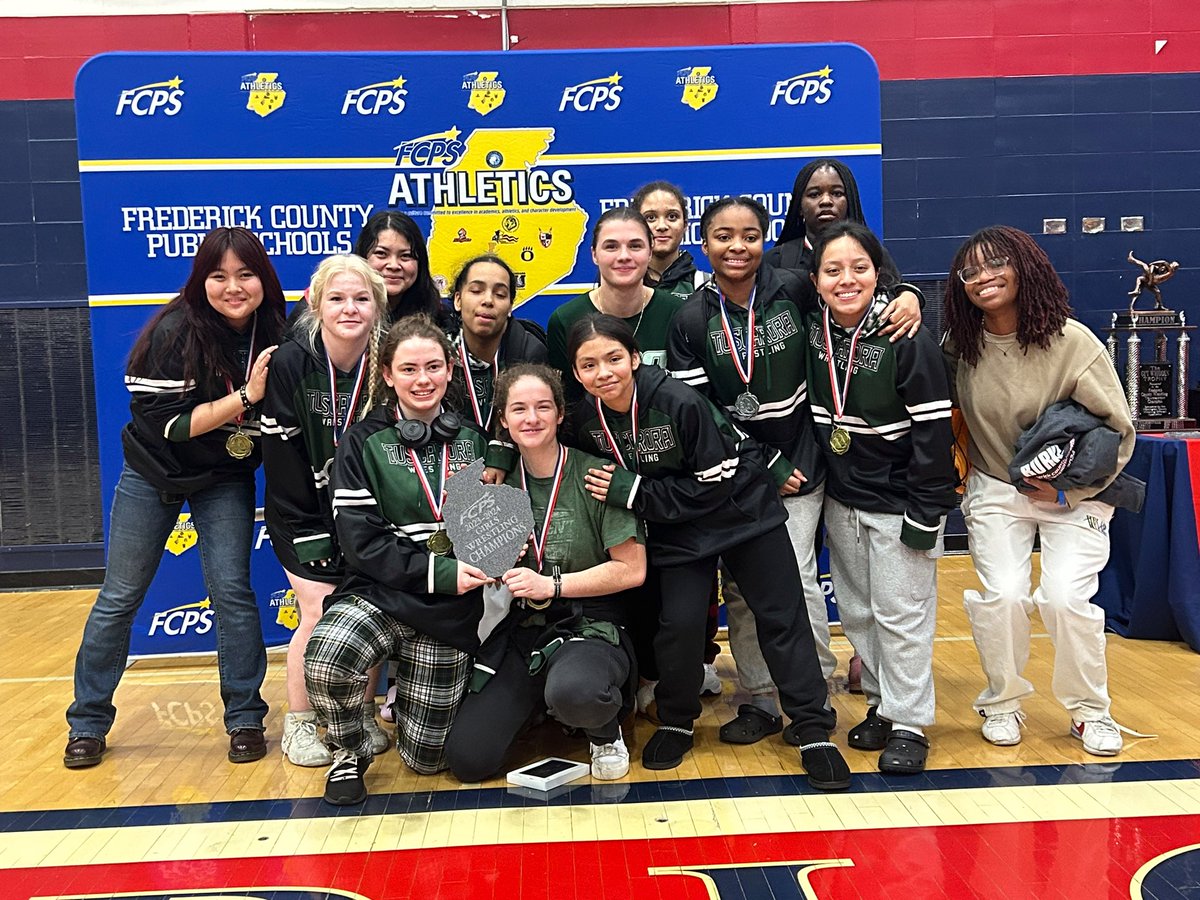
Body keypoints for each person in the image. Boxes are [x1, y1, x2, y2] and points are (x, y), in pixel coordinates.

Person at [668, 197, 922, 744]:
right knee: (740, 588)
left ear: (765, 239)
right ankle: (759, 698)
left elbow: (857, 299)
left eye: (750, 234)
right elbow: (701, 410)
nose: (737, 246)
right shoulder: (690, 318)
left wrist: (909, 296)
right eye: (723, 235)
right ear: (703, 242)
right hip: (739, 471)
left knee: (796, 579)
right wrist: (762, 462)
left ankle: (811, 691)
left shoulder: (797, 288)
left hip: (805, 462)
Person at [566, 314, 850, 791]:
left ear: (635, 358)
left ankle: (813, 727)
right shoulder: (583, 420)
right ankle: (678, 719)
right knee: (678, 625)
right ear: (576, 373)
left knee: (780, 616)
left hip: (740, 511)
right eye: (589, 364)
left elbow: (715, 481)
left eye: (614, 358)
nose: (604, 372)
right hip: (677, 528)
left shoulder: (677, 400)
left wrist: (636, 493)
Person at [64, 226, 285, 770]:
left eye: (245, 274)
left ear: (263, 279)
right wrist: (245, 397)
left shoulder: (280, 329)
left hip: (222, 475)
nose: (233, 287)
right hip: (153, 472)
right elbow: (170, 427)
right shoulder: (172, 331)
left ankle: (245, 718)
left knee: (232, 592)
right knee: (120, 596)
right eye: (218, 276)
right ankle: (88, 720)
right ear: (199, 281)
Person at [943, 225, 1136, 756]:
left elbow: (1120, 432)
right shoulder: (961, 345)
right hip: (997, 486)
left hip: (1073, 494)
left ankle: (1090, 711)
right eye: (971, 271)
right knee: (1004, 594)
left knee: (1064, 598)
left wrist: (1069, 493)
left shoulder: (1073, 342)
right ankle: (1002, 703)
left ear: (1024, 267)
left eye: (995, 264)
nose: (983, 277)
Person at [304, 314, 491, 805]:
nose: (423, 379)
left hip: (450, 609)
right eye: (409, 369)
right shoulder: (362, 443)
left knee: (427, 761)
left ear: (451, 370)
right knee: (328, 655)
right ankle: (351, 749)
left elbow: (492, 526)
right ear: (387, 375)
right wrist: (438, 571)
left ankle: (406, 700)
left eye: (433, 366)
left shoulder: (476, 440)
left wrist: (477, 562)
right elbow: (360, 542)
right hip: (381, 593)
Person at [804, 221, 957, 775]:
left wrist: (927, 512)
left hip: (901, 504)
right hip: (844, 500)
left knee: (903, 614)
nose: (847, 280)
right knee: (861, 613)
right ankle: (880, 706)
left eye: (859, 268)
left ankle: (911, 723)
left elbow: (933, 434)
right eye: (833, 270)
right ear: (815, 279)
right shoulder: (811, 329)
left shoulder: (905, 335)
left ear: (879, 272)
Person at [445, 364, 646, 783]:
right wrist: (492, 565)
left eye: (542, 407)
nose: (531, 418)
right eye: (518, 409)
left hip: (588, 624)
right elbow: (466, 566)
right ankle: (540, 707)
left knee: (576, 691)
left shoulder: (595, 473)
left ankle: (604, 732)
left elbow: (632, 570)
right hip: (522, 630)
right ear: (503, 419)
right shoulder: (490, 483)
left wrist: (552, 584)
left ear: (559, 414)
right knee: (469, 759)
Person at [262, 254, 392, 767]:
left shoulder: (385, 360)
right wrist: (313, 533)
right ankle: (298, 723)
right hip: (303, 515)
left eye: (362, 298)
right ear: (315, 303)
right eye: (337, 298)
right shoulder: (294, 360)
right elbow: (282, 456)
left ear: (378, 307)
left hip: (363, 515)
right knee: (318, 612)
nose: (349, 308)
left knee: (367, 610)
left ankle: (354, 718)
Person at [547, 207, 685, 401]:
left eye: (635, 246)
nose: (624, 256)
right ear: (594, 254)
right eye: (611, 246)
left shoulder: (678, 312)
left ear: (650, 252)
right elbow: (568, 402)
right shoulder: (565, 320)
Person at [448, 254, 548, 432]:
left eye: (500, 294)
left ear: (510, 307)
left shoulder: (530, 352)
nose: (488, 300)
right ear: (458, 300)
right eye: (476, 291)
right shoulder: (438, 355)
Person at [354, 211, 451, 327]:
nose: (394, 265)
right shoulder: (346, 317)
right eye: (381, 254)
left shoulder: (441, 324)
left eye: (405, 256)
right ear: (362, 257)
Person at [633, 181, 707, 299]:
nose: (662, 226)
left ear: (685, 225)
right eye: (651, 218)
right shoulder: (622, 284)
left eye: (672, 216)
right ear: (635, 225)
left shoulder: (705, 286)